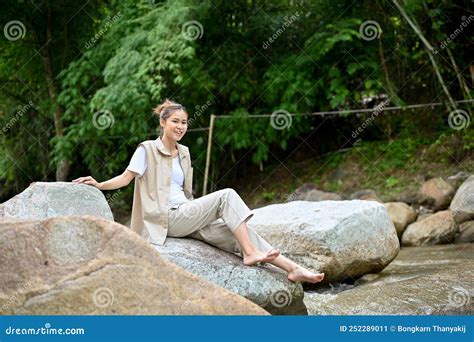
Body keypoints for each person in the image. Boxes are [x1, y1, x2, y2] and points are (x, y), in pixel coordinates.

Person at [72, 99, 325, 283]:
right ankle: (250, 254)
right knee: (226, 195)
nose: (180, 127)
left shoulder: (184, 152)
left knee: (236, 231)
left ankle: (292, 268)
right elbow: (126, 178)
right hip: (166, 218)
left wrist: (201, 214)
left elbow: (185, 193)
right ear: (163, 122)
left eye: (184, 122)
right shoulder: (146, 149)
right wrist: (100, 184)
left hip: (186, 214)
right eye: (175, 122)